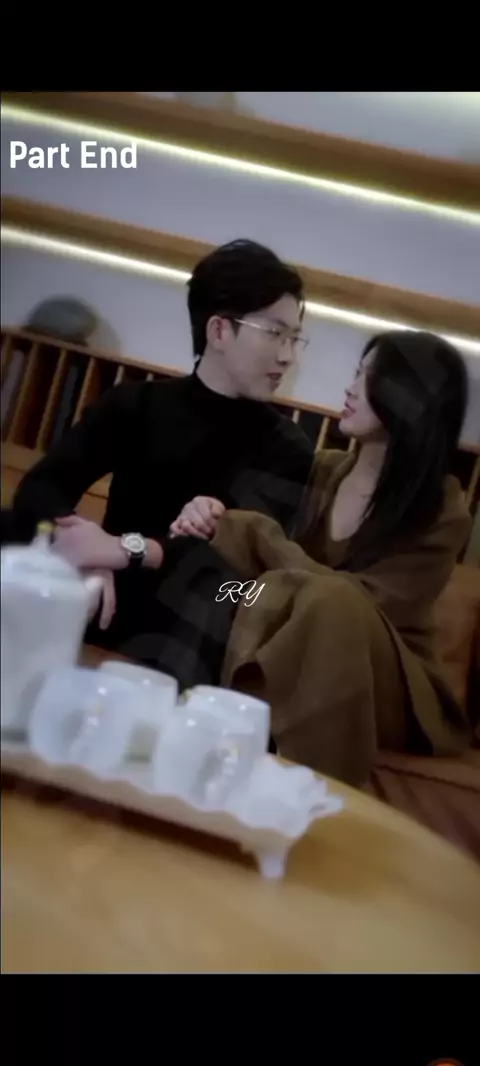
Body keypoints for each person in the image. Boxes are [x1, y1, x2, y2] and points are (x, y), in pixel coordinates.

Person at [4, 239, 313, 676]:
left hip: (193, 613)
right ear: (219, 331)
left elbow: (233, 561)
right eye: (275, 334)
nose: (287, 355)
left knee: (219, 592)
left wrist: (122, 550)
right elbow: (42, 486)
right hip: (105, 588)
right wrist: (87, 548)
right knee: (14, 526)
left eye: (295, 339)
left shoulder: (288, 446)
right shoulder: (136, 404)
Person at [202, 329, 472, 785]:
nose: (350, 389)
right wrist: (210, 516)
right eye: (355, 374)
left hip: (389, 677)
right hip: (301, 646)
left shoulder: (443, 509)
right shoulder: (322, 469)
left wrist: (255, 533)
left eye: (369, 379)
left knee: (330, 600)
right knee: (247, 589)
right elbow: (260, 564)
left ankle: (313, 796)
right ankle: (222, 749)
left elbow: (366, 602)